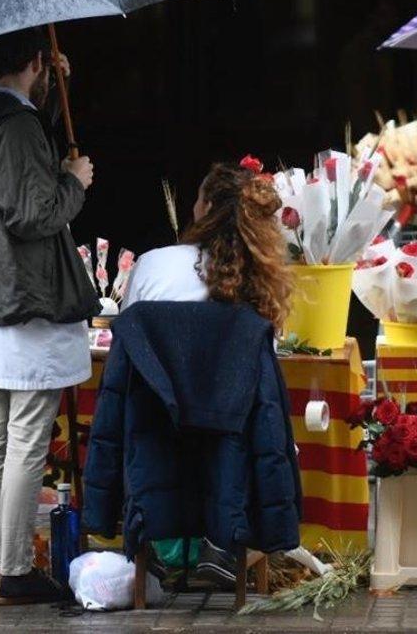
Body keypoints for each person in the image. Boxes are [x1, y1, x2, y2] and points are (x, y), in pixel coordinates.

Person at [0, 26, 100, 604]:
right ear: (34, 60)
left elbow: (16, 174)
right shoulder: (16, 126)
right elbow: (33, 211)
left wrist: (53, 94)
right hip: (28, 295)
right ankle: (13, 570)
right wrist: (74, 183)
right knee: (27, 434)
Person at [120, 160, 295, 584]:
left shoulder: (152, 262)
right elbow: (264, 365)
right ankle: (225, 540)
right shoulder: (258, 279)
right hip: (229, 439)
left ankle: (160, 542)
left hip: (156, 427)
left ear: (205, 207)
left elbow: (130, 338)